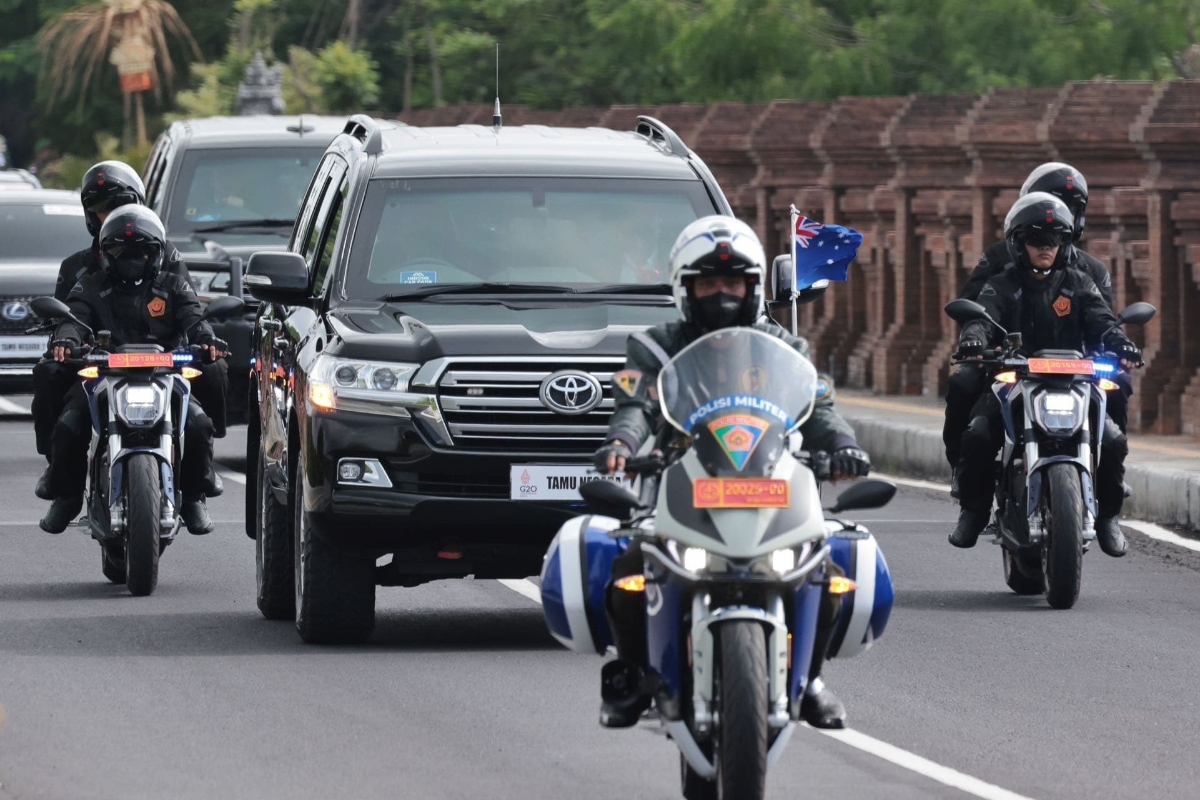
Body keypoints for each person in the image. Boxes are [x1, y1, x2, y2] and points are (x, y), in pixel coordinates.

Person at [591, 215, 872, 730]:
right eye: (708, 283)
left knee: (825, 572)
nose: (721, 294)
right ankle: (633, 675)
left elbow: (819, 410)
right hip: (681, 479)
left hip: (768, 480)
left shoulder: (786, 347)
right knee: (628, 571)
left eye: (733, 283)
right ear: (686, 288)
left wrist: (844, 447)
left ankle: (810, 680)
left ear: (753, 288)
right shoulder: (655, 346)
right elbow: (636, 404)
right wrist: (621, 444)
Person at [950, 193, 1142, 557]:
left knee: (1113, 440)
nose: (1046, 247)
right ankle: (974, 512)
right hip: (1015, 376)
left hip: (1075, 380)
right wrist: (974, 340)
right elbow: (981, 317)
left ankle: (1108, 517)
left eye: (1054, 240)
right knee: (978, 434)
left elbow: (1102, 321)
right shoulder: (1001, 284)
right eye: (1037, 239)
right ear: (1018, 243)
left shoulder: (1080, 283)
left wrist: (1123, 345)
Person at [32, 161, 228, 501]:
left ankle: (195, 491)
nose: (132, 258)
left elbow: (193, 315)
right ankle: (64, 489)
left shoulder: (170, 277)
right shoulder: (87, 280)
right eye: (119, 251)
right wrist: (66, 340)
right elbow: (70, 318)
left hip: (164, 367)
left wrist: (207, 339)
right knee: (63, 411)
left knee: (201, 415)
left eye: (142, 251)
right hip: (101, 368)